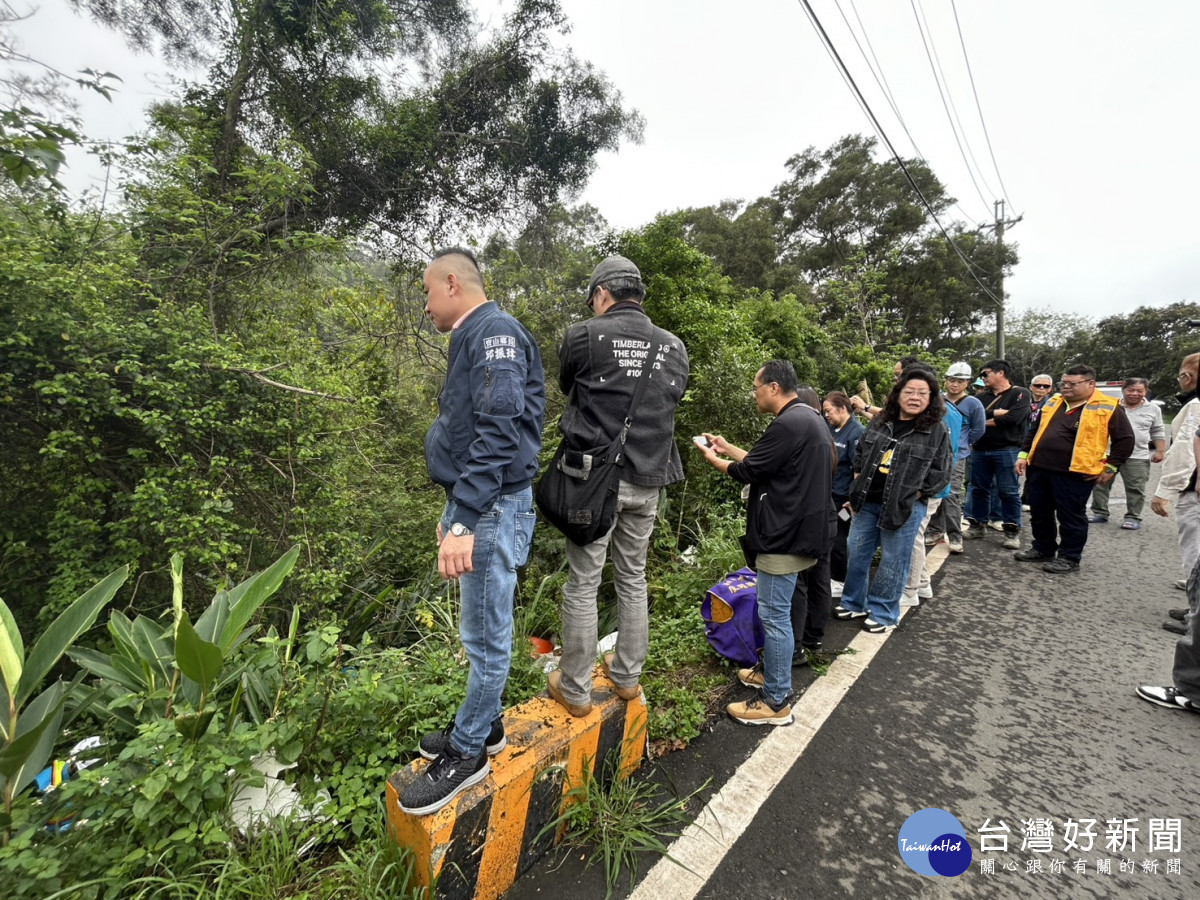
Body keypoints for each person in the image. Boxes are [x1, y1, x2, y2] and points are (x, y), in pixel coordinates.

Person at [403, 248, 545, 816]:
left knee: (485, 635)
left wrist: (465, 517)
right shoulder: (476, 334)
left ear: (452, 283)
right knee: (479, 627)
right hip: (479, 501)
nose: (426, 305)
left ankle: (468, 753)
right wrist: (455, 509)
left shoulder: (495, 333)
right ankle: (484, 726)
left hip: (491, 506)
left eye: (427, 292)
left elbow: (498, 432)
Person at [546, 256, 689, 717]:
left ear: (602, 294)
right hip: (648, 482)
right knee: (632, 577)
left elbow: (569, 385)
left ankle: (575, 688)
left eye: (593, 300)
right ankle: (627, 676)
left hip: (593, 483)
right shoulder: (674, 347)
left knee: (583, 583)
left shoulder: (584, 336)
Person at [697, 361, 833, 726]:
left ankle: (775, 701)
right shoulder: (807, 418)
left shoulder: (788, 423)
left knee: (774, 617)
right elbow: (764, 463)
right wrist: (727, 446)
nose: (754, 394)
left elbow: (748, 471)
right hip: (800, 532)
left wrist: (714, 459)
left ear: (773, 387)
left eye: (756, 388)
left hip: (783, 537)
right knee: (777, 613)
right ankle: (771, 675)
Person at [834, 368, 952, 632]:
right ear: (898, 394)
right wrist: (857, 483)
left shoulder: (936, 430)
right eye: (909, 391)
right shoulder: (880, 421)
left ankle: (884, 613)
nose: (915, 397)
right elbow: (861, 452)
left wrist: (914, 494)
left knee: (893, 561)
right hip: (867, 503)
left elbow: (941, 472)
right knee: (857, 552)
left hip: (904, 507)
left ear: (931, 398)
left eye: (922, 393)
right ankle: (854, 602)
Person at [1013, 365, 1133, 574]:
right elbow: (1035, 430)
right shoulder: (1054, 402)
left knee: (1070, 516)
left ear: (1090, 384)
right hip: (1040, 468)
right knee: (1039, 513)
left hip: (1075, 473)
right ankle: (1042, 548)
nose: (1066, 387)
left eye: (1072, 383)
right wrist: (1023, 455)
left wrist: (1111, 467)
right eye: (1064, 383)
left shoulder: (1108, 406)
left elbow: (1125, 440)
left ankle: (1069, 557)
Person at [902, 363, 962, 606]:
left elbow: (944, 458)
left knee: (912, 537)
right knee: (915, 535)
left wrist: (922, 489)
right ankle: (923, 583)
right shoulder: (946, 410)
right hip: (929, 486)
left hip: (927, 488)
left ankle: (910, 590)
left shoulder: (941, 414)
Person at [789, 385, 838, 662]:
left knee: (798, 581)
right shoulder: (825, 438)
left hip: (807, 518)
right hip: (827, 515)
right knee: (820, 577)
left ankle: (795, 647)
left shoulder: (803, 436)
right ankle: (814, 637)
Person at [1151, 352, 1200, 615]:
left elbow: (1185, 450)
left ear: (1187, 377)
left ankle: (1196, 616)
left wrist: (1165, 490)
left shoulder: (1195, 405)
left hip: (1195, 491)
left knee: (1195, 551)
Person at [965, 360, 1031, 549]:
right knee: (978, 489)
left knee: (1008, 491)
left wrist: (982, 420)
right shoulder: (980, 397)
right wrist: (996, 413)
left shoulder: (1020, 394)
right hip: (980, 449)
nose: (982, 378)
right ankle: (978, 525)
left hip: (1007, 449)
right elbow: (970, 417)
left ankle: (1011, 530)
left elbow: (1013, 419)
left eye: (985, 373)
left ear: (1000, 373)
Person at [1087, 377, 1165, 529]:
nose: (1135, 394)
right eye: (1131, 390)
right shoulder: (1112, 405)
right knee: (1100, 484)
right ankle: (1100, 512)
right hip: (1108, 454)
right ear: (1123, 390)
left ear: (1146, 392)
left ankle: (1133, 517)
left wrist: (1160, 451)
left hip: (1137, 455)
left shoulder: (1153, 409)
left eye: (1139, 391)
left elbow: (1157, 430)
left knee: (1136, 488)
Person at [926, 362, 986, 554]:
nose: (955, 384)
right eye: (952, 380)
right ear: (946, 380)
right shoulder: (938, 400)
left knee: (951, 494)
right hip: (936, 454)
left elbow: (978, 429)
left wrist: (963, 444)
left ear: (967, 383)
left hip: (957, 456)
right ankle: (935, 530)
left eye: (960, 381)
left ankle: (954, 535)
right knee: (935, 491)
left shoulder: (973, 403)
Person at [823, 391, 863, 596]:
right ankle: (830, 574)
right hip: (829, 492)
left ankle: (840, 579)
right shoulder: (831, 428)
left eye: (829, 411)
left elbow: (859, 470)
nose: (826, 415)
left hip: (844, 498)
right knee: (829, 534)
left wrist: (854, 499)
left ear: (842, 409)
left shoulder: (856, 432)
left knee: (840, 536)